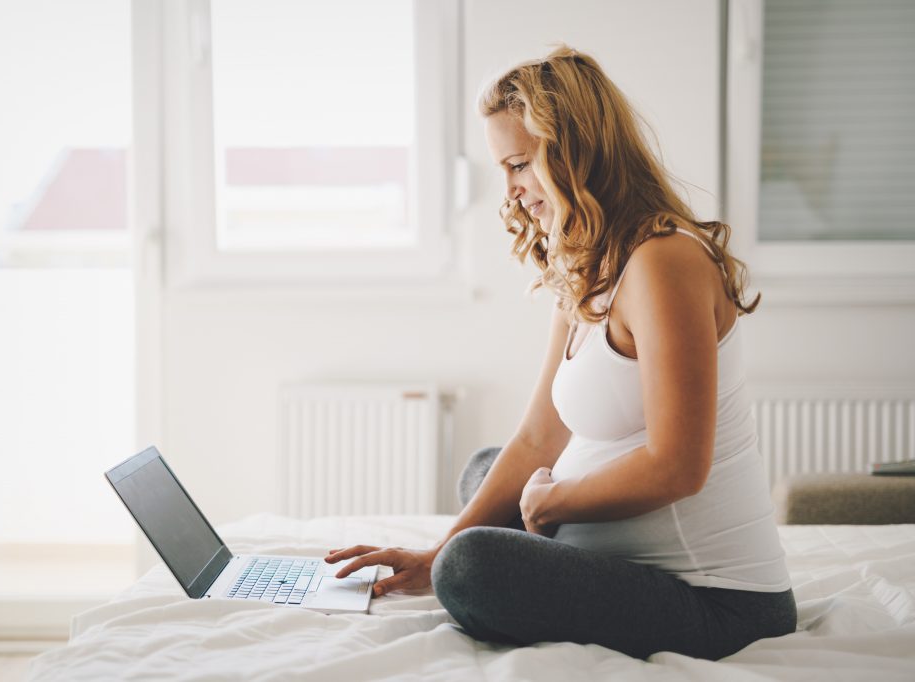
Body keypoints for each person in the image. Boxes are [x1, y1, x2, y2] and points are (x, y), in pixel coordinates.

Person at [325, 45, 797, 660]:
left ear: (575, 151)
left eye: (520, 164)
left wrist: (551, 503)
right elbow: (536, 441)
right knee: (489, 469)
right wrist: (432, 554)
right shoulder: (586, 259)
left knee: (473, 565)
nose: (514, 191)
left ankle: (520, 541)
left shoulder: (663, 262)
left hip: (716, 599)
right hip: (617, 550)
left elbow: (679, 465)